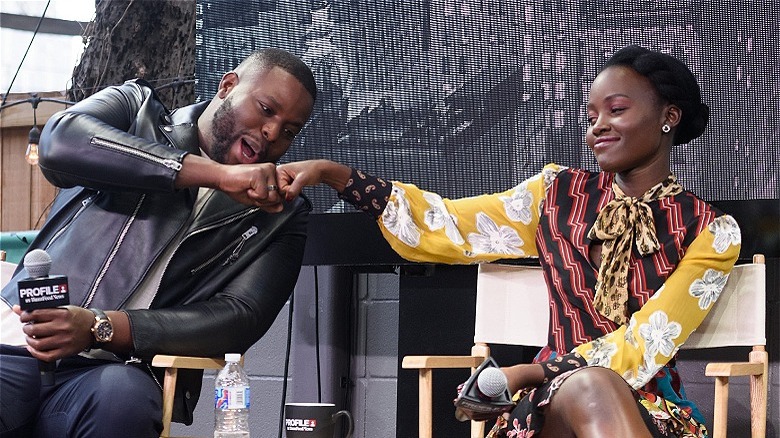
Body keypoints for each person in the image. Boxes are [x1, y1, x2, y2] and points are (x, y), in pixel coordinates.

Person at [276, 45, 742, 437]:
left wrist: (522, 372)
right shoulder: (555, 195)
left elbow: (645, 344)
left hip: (650, 407)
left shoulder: (711, 231)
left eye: (616, 110)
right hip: (547, 409)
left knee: (594, 384)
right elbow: (447, 226)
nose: (596, 127)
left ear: (669, 116)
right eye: (591, 115)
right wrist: (333, 175)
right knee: (586, 385)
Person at [0, 48, 316, 437]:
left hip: (114, 373)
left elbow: (240, 317)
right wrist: (215, 175)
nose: (272, 132)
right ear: (228, 86)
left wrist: (102, 327)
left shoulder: (281, 214)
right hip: (15, 348)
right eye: (267, 109)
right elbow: (59, 143)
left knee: (124, 402)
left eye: (289, 130)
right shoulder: (137, 109)